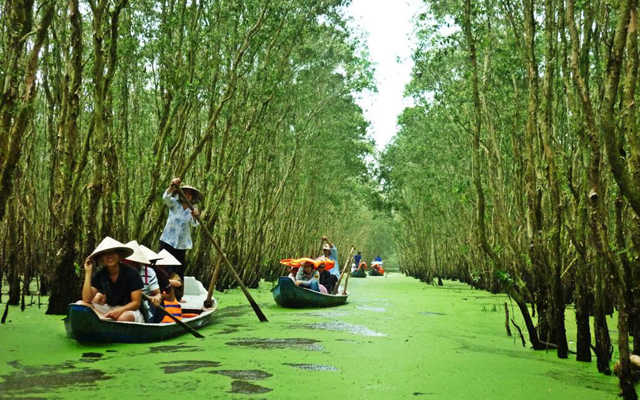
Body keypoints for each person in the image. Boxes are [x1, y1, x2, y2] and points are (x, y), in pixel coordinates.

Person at [77, 237, 144, 322]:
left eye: (113, 253)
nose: (110, 257)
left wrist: (120, 310)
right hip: (109, 310)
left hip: (129, 311)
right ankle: (104, 320)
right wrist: (88, 272)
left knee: (123, 318)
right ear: (101, 257)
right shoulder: (100, 275)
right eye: (106, 254)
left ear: (119, 255)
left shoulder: (132, 273)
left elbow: (136, 303)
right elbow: (86, 299)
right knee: (80, 304)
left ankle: (104, 321)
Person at [159, 177, 203, 297]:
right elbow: (165, 198)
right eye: (185, 193)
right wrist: (172, 185)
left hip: (181, 244)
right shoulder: (174, 203)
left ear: (192, 197)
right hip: (168, 240)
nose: (187, 195)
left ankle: (178, 296)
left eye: (190, 194)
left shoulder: (192, 210)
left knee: (179, 269)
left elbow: (195, 224)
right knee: (163, 267)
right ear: (180, 194)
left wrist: (195, 216)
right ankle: (160, 292)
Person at [123, 241, 161, 322]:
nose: (130, 265)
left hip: (141, 307)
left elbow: (157, 293)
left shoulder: (149, 272)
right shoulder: (116, 271)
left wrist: (156, 298)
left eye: (133, 262)